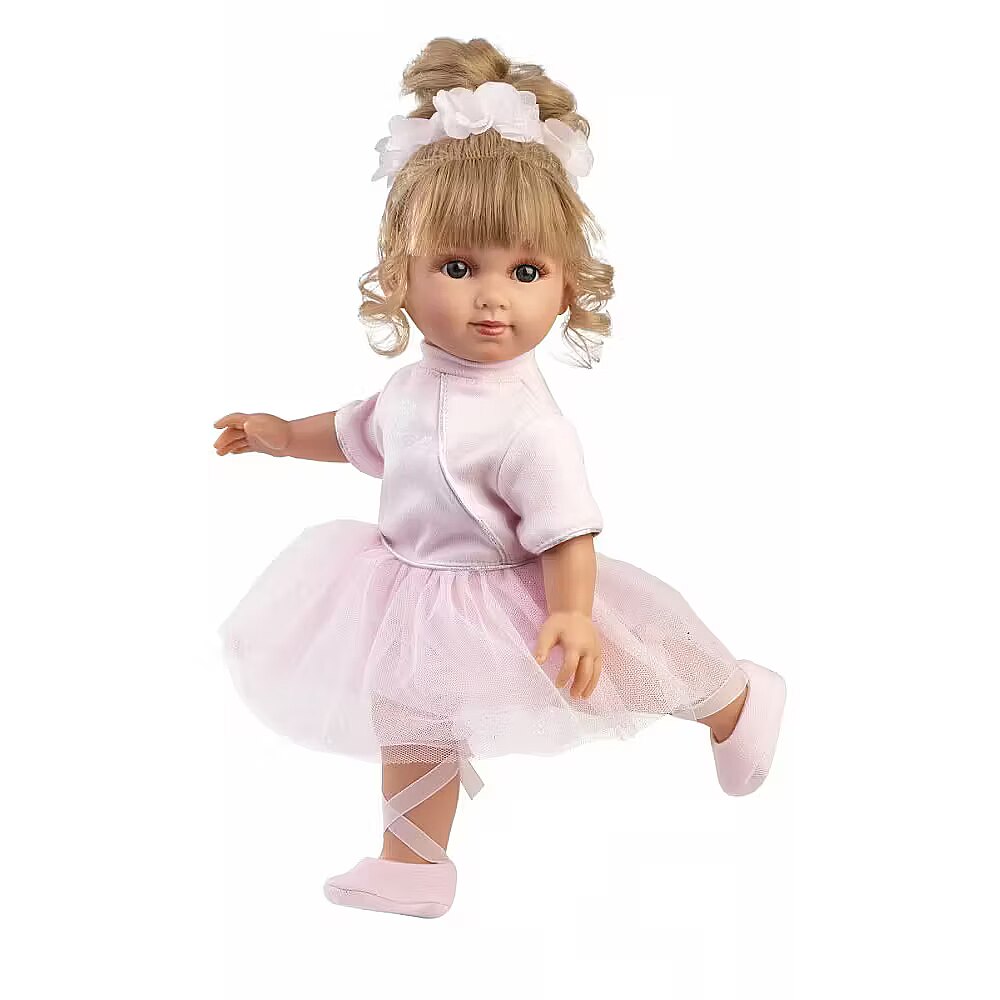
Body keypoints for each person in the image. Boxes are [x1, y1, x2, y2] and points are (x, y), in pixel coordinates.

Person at [213, 37, 787, 920]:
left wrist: (571, 610)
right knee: (411, 716)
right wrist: (282, 436)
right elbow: (358, 431)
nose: (493, 297)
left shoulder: (529, 424)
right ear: (400, 278)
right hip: (411, 589)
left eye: (525, 272)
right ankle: (412, 864)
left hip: (513, 592)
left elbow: (568, 529)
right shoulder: (411, 388)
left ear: (566, 287)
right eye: (458, 267)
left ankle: (736, 702)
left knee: (634, 667)